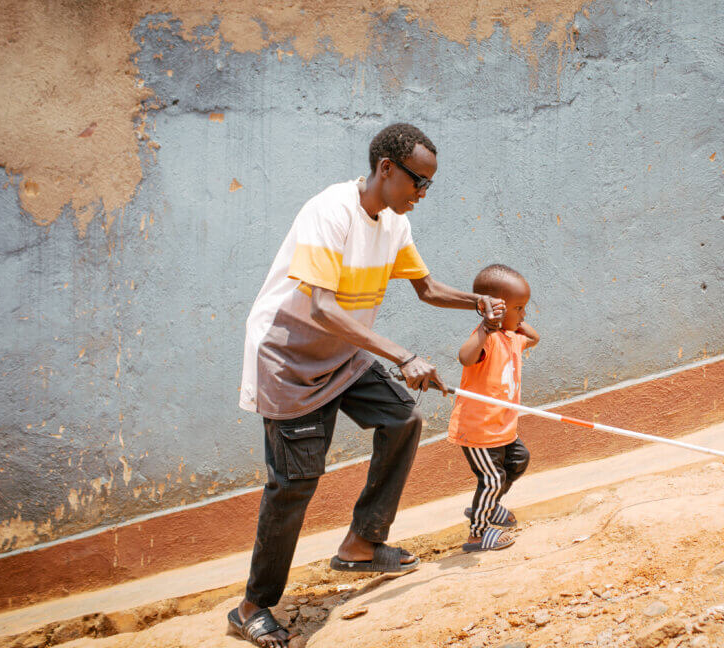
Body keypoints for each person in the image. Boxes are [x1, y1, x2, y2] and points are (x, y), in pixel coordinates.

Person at [229, 123, 506, 648]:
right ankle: (252, 607)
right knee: (294, 485)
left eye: (428, 185)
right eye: (417, 182)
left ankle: (361, 543)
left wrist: (477, 302)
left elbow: (425, 289)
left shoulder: (393, 223)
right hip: (290, 360)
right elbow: (321, 307)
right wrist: (403, 355)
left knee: (404, 417)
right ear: (385, 169)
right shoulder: (329, 212)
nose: (422, 194)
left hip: (344, 353)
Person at [447, 264, 539, 552]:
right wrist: (488, 326)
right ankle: (478, 531)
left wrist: (518, 323)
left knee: (517, 461)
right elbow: (465, 357)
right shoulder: (486, 339)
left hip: (503, 428)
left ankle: (489, 506)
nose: (523, 314)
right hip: (479, 430)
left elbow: (534, 339)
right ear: (495, 310)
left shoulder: (512, 337)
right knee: (492, 478)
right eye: (519, 308)